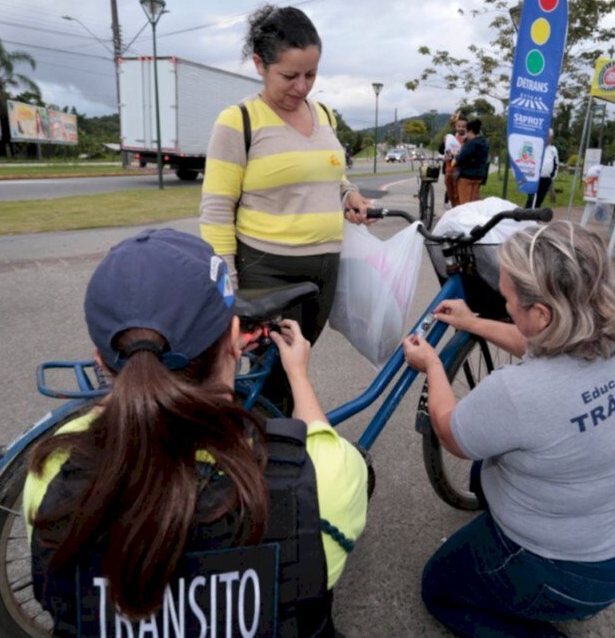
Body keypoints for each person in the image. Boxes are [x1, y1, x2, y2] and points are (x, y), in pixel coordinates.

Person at [24, 228, 368, 637]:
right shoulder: (323, 477)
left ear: (101, 359)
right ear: (234, 341)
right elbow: (319, 439)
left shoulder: (53, 472)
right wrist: (297, 375)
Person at [402, 221, 615, 636]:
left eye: (507, 298)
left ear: (540, 313)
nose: (505, 306)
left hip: (570, 572)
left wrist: (432, 365)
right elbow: (539, 342)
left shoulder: (520, 392)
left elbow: (451, 434)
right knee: (492, 464)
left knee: (440, 588)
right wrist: (472, 323)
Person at [199, 4, 372, 409]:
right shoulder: (238, 121)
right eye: (289, 76)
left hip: (325, 267)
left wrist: (350, 195)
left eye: (311, 75)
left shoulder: (324, 114)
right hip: (268, 268)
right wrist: (228, 286)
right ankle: (263, 460)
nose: (302, 87)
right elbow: (217, 209)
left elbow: (334, 176)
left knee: (295, 371)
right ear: (260, 64)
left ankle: (274, 452)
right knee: (273, 379)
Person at [453, 117, 490, 205]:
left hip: (466, 177)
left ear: (470, 131)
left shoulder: (471, 143)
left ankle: (465, 219)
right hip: (478, 177)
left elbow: (461, 157)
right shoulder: (485, 142)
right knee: (474, 204)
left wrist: (455, 159)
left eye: (466, 132)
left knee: (464, 204)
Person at [524, 128, 559, 209]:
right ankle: (526, 216)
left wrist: (552, 177)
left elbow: (556, 164)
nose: (548, 138)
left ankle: (533, 219)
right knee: (532, 200)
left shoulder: (553, 149)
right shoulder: (535, 146)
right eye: (547, 136)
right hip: (534, 178)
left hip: (546, 179)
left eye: (550, 136)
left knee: (539, 200)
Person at [442, 112, 466, 208]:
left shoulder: (469, 139)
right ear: (455, 126)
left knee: (459, 196)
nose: (461, 128)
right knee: (451, 194)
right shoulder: (449, 137)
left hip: (461, 172)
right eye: (458, 126)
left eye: (463, 126)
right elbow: (442, 150)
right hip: (449, 171)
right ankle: (451, 207)